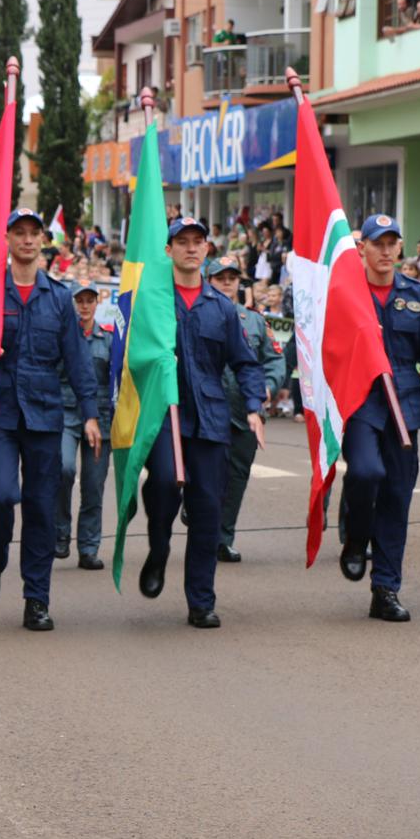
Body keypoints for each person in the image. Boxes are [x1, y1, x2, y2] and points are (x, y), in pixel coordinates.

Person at [0, 208, 100, 632]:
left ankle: (36, 599)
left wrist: (91, 414)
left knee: (42, 510)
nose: (27, 240)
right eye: (19, 233)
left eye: (33, 233)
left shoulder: (60, 298)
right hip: (1, 413)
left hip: (46, 415)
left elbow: (78, 360)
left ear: (42, 240)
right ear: (7, 240)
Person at [136, 218, 265, 628]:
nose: (191, 248)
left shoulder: (222, 309)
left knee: (208, 510)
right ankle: (158, 548)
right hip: (164, 415)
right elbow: (129, 358)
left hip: (209, 419)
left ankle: (201, 601)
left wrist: (253, 406)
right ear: (168, 250)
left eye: (197, 242)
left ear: (206, 249)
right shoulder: (153, 302)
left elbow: (245, 362)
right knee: (161, 486)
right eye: (182, 242)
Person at [338, 215, 420, 621]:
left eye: (392, 243)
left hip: (404, 402)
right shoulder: (346, 293)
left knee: (398, 497)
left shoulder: (416, 295)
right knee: (365, 472)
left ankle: (385, 588)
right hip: (362, 397)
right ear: (362, 248)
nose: (385, 251)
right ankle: (355, 537)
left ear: (400, 247)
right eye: (377, 243)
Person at [209, 256, 283, 563]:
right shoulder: (196, 315)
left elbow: (275, 359)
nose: (227, 282)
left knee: (237, 476)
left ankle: (223, 538)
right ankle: (200, 517)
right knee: (206, 474)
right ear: (208, 281)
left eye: (232, 277)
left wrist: (268, 385)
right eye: (220, 277)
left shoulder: (254, 321)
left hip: (245, 411)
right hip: (209, 409)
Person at [56, 280, 116, 571]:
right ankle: (60, 531)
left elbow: (118, 379)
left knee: (93, 486)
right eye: (79, 300)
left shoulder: (108, 338)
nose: (84, 305)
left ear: (97, 302)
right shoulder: (61, 335)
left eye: (89, 300)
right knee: (63, 469)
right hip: (65, 413)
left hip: (101, 418)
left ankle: (89, 548)